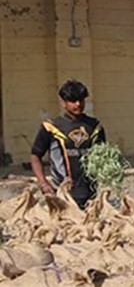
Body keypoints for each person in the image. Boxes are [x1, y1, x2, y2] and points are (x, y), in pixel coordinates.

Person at [30, 80, 106, 209]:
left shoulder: (95, 126)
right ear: (63, 102)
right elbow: (35, 155)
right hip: (62, 194)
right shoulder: (51, 127)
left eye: (81, 100)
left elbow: (103, 157)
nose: (78, 104)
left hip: (91, 195)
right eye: (73, 101)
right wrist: (43, 183)